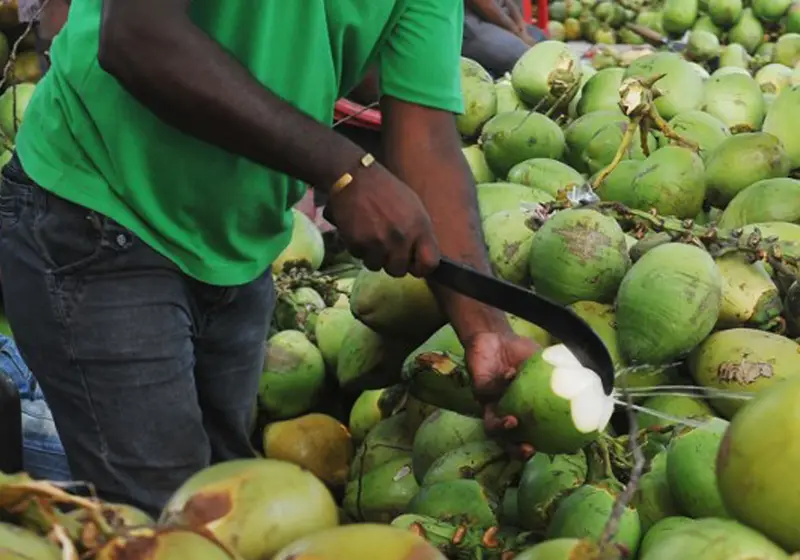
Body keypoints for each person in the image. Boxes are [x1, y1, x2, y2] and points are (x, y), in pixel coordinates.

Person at [0, 0, 540, 516]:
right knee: (168, 531)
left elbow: (427, 143)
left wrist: (483, 329)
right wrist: (343, 169)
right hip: (99, 212)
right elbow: (138, 37)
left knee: (229, 498)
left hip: (239, 243)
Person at [463, 0, 547, 78]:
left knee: (542, 41)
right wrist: (518, 33)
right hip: (471, 23)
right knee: (527, 58)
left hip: (499, 18)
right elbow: (485, 5)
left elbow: (508, 2)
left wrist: (521, 27)